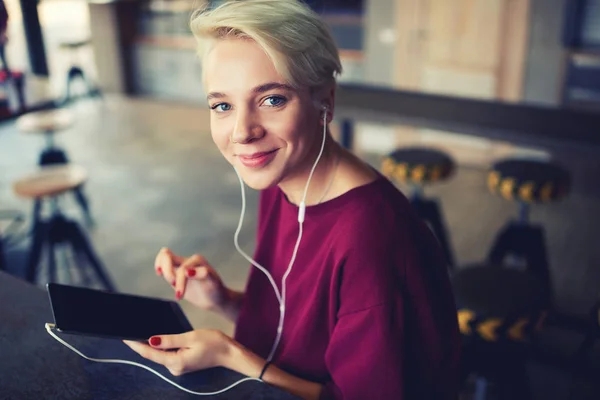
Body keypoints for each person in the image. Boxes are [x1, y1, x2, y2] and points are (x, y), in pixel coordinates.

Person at [124, 1, 461, 399]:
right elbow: (305, 331)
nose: (242, 132)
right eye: (222, 106)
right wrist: (224, 301)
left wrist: (231, 355)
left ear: (326, 102)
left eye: (272, 100)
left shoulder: (372, 239)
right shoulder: (282, 181)